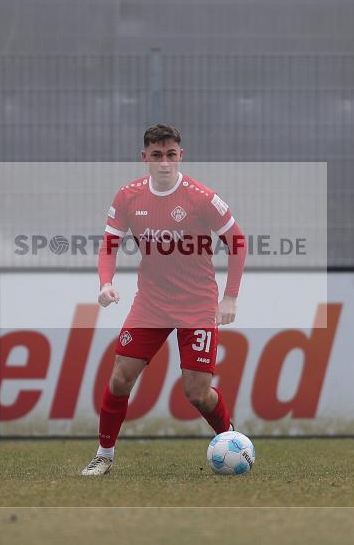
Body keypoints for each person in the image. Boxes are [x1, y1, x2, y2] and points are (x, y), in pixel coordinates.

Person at [81, 124, 247, 476]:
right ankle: (104, 456)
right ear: (145, 158)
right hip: (151, 303)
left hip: (197, 304)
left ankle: (231, 442)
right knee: (120, 378)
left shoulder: (202, 198)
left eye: (171, 155)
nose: (164, 163)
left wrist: (230, 297)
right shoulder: (128, 197)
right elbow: (109, 245)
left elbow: (238, 241)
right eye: (157, 155)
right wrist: (105, 283)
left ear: (180, 156)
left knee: (197, 393)